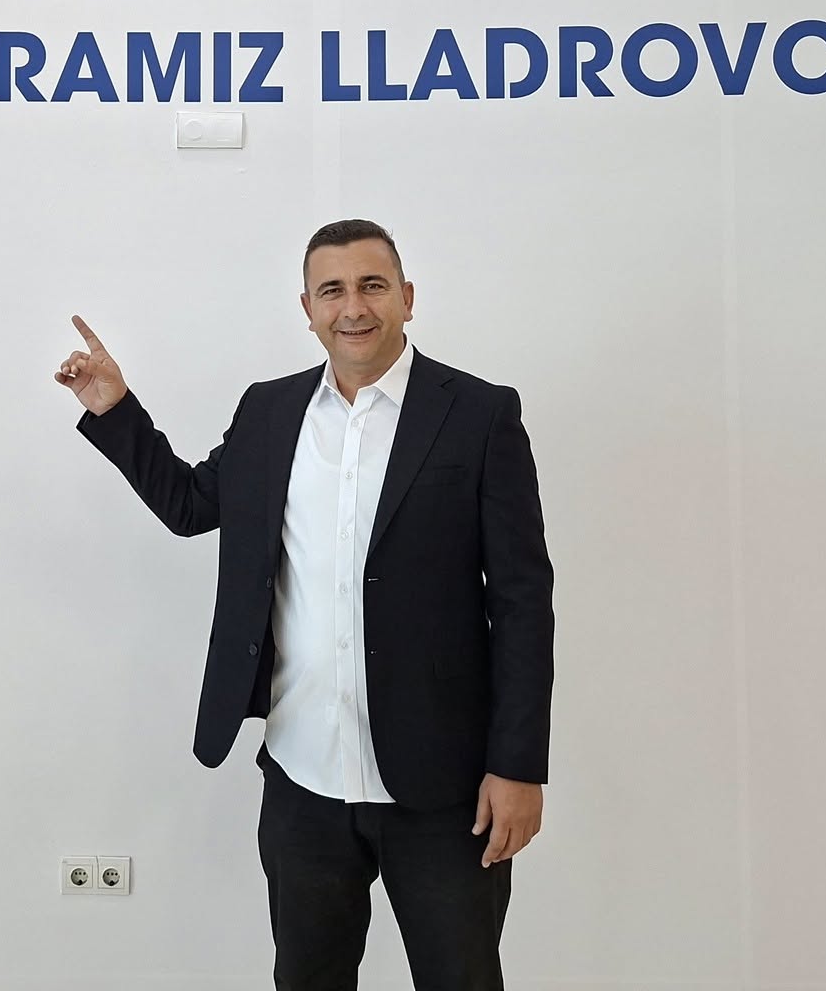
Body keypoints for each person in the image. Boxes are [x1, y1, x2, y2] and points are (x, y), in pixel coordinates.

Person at [56, 219, 554, 990]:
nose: (353, 306)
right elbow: (190, 505)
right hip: (303, 781)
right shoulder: (269, 412)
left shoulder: (480, 414)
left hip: (444, 786)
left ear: (407, 297)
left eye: (372, 285)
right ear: (308, 309)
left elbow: (522, 601)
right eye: (333, 290)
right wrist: (114, 408)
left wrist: (517, 766)